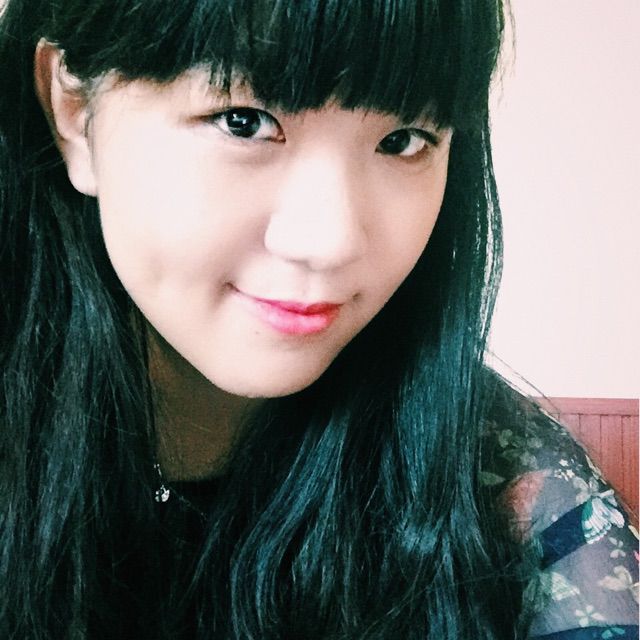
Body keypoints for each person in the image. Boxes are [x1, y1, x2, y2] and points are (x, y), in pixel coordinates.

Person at [0, 0, 637, 638]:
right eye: (243, 121)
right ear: (75, 110)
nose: (331, 242)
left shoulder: (514, 486)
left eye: (402, 140)